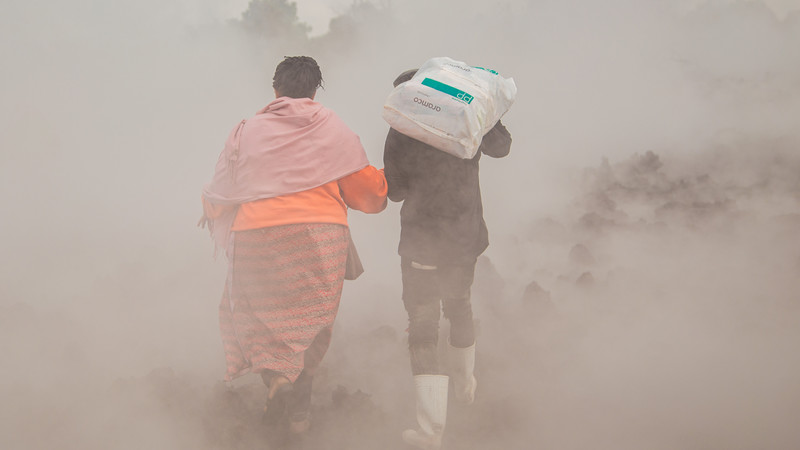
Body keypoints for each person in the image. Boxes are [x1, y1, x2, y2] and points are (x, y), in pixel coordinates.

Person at [200, 56, 387, 434]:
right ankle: (299, 419)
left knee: (259, 321)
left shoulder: (246, 131)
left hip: (257, 236)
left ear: (275, 89)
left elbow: (221, 190)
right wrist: (386, 185)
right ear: (315, 90)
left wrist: (213, 209)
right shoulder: (333, 129)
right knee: (308, 327)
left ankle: (277, 384)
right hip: (320, 238)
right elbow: (367, 195)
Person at [383, 68, 512, 449]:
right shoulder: (466, 116)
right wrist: (489, 112)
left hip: (422, 239)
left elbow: (395, 191)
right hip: (465, 235)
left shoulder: (401, 128)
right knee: (460, 306)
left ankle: (430, 431)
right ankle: (466, 385)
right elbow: (501, 147)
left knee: (423, 325)